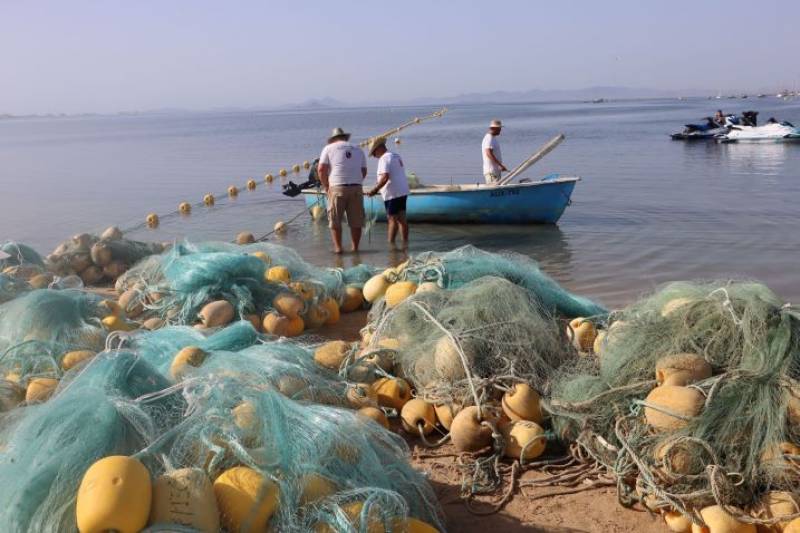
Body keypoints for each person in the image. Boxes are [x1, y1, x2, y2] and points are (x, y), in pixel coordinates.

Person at [317, 127, 367, 254]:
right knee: (356, 221)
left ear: (333, 139)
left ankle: (338, 249)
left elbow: (321, 169)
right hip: (356, 187)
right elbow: (363, 171)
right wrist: (356, 182)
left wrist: (326, 186)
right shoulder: (358, 149)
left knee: (335, 220)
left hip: (337, 187)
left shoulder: (328, 148)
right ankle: (355, 248)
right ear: (345, 137)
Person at [366, 137, 409, 248]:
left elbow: (385, 177)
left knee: (392, 219)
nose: (374, 156)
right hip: (402, 190)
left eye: (374, 152)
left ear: (379, 148)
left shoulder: (384, 158)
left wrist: (374, 190)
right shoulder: (396, 155)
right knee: (402, 219)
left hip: (392, 192)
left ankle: (391, 246)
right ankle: (405, 244)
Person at [482, 119, 508, 184]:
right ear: (493, 128)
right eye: (499, 129)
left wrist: (500, 166)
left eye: (500, 128)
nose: (500, 130)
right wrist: (500, 165)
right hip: (491, 173)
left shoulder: (493, 138)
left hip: (495, 172)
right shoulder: (489, 138)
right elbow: (488, 153)